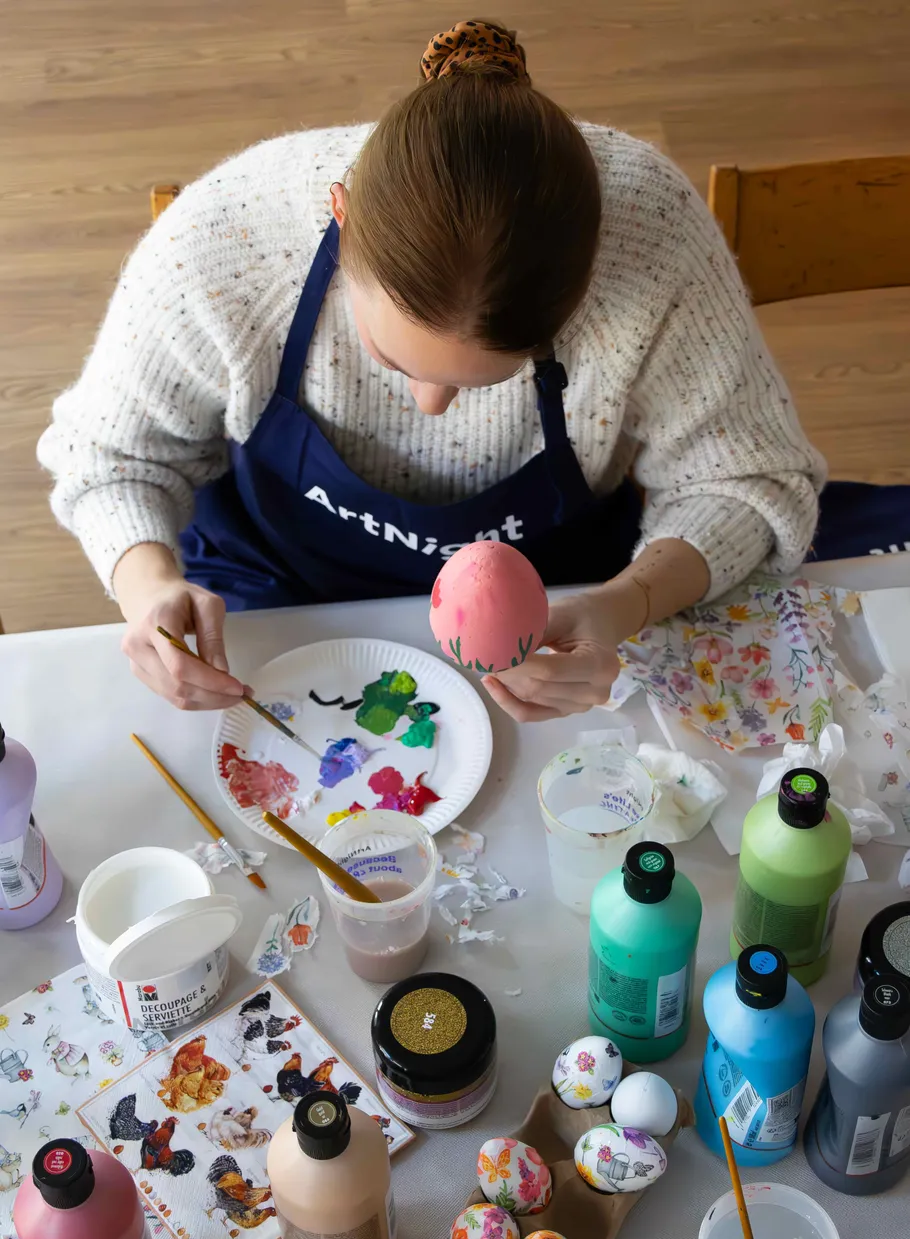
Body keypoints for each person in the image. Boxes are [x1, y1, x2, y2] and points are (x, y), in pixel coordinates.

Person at [39, 19, 824, 723]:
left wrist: (627, 603)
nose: (431, 406)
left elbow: (744, 482)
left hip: (557, 603)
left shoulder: (652, 249)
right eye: (393, 358)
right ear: (340, 218)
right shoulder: (224, 242)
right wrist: (146, 591)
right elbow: (110, 454)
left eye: (489, 379)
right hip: (277, 586)